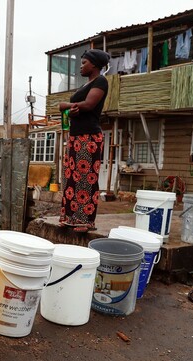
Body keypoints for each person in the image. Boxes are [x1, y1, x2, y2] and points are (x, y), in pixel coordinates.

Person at [58, 49, 110, 233]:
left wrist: (66, 105)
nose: (81, 66)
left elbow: (88, 105)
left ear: (94, 65)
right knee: (71, 177)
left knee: (86, 178)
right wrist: (71, 109)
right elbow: (79, 106)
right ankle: (70, 218)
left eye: (84, 63)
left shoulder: (101, 81)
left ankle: (86, 221)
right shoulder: (85, 85)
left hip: (89, 137)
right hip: (76, 136)